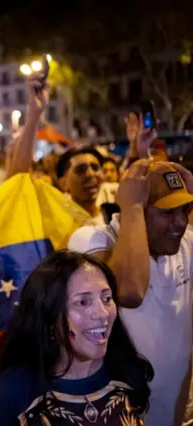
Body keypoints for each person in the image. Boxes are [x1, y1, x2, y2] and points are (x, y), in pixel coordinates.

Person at [69, 159, 193, 425]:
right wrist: (132, 206)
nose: (180, 222)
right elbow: (129, 291)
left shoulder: (186, 244)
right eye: (168, 212)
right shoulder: (91, 240)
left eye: (186, 210)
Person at [0, 250, 153, 425]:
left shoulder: (128, 371)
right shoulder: (11, 393)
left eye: (107, 298)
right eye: (83, 302)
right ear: (49, 317)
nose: (103, 313)